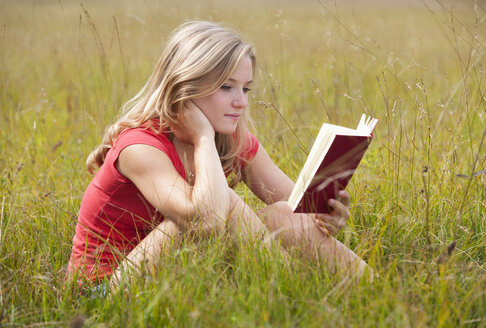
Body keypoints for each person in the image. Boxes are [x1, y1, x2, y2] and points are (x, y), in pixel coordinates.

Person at [67, 21, 371, 289]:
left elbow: (298, 210)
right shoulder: (139, 147)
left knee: (284, 214)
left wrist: (327, 214)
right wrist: (202, 137)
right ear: (185, 88)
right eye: (226, 87)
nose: (240, 102)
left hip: (176, 277)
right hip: (107, 291)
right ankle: (291, 293)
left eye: (246, 89)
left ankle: (371, 287)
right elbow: (206, 221)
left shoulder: (231, 137)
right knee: (221, 205)